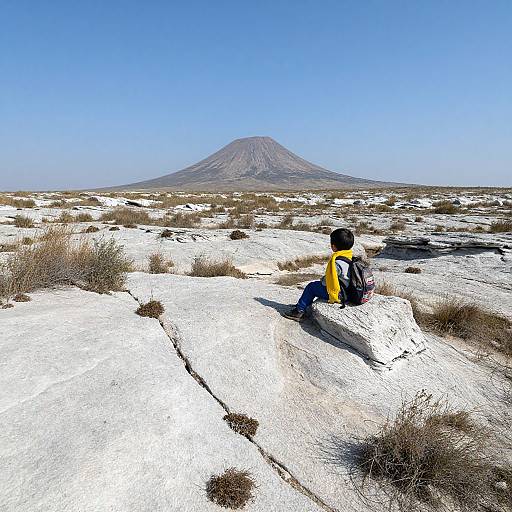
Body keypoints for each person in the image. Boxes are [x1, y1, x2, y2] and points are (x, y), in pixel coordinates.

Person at [284, 228, 354, 321]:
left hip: (340, 295)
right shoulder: (350, 257)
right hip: (350, 292)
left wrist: (322, 280)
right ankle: (303, 304)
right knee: (315, 286)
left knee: (311, 287)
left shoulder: (336, 263)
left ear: (333, 246)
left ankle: (299, 310)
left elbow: (327, 282)